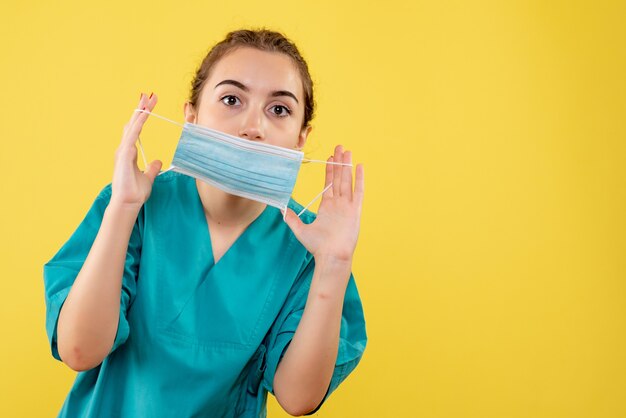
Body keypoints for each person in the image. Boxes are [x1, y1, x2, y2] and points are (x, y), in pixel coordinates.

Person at [44, 28, 367, 417]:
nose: (253, 127)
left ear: (301, 138)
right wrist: (122, 209)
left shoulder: (306, 244)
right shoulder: (138, 205)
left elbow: (298, 399)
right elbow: (78, 349)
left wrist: (333, 264)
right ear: (191, 116)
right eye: (232, 99)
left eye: (278, 109)